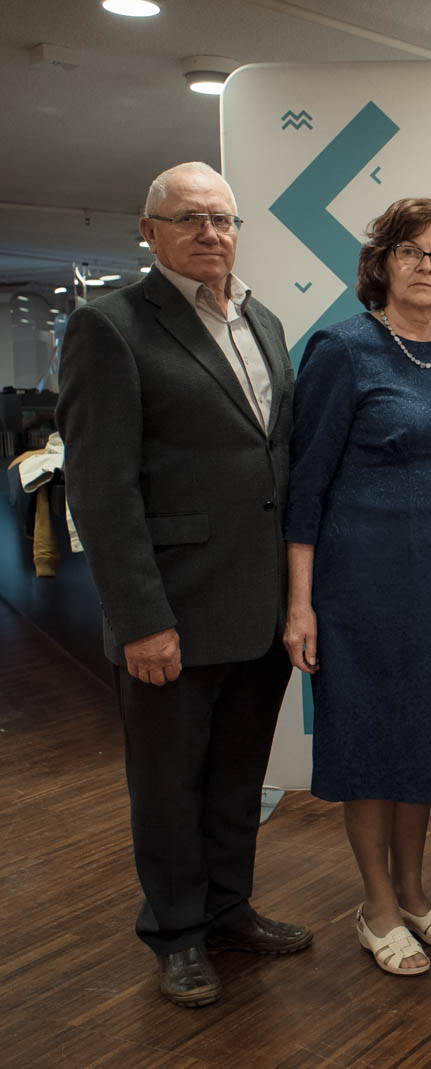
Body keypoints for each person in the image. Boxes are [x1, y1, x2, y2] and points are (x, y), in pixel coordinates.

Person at [57, 161, 309, 1008]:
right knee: (168, 786)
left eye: (222, 218)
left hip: (257, 604)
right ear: (149, 231)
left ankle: (228, 909)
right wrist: (139, 618)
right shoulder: (110, 326)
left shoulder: (263, 320)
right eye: (188, 218)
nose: (209, 232)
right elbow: (102, 488)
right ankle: (176, 932)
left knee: (237, 778)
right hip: (172, 608)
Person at [282, 197, 431, 976]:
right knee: (371, 741)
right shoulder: (342, 348)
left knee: (424, 737)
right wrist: (300, 604)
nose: (424, 266)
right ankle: (375, 906)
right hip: (360, 585)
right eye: (409, 251)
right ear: (383, 262)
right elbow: (306, 486)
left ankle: (414, 891)